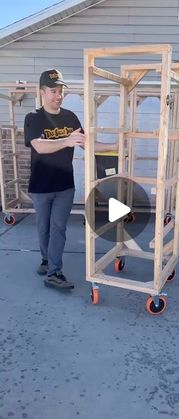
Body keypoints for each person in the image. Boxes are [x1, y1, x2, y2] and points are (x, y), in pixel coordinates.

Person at [24, 69, 117, 290]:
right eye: (54, 91)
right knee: (43, 227)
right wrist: (66, 141)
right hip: (40, 186)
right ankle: (46, 260)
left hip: (65, 185)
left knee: (58, 228)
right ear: (42, 92)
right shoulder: (33, 118)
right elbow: (39, 145)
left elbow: (87, 144)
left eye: (61, 91)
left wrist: (114, 146)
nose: (58, 95)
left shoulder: (70, 117)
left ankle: (54, 272)